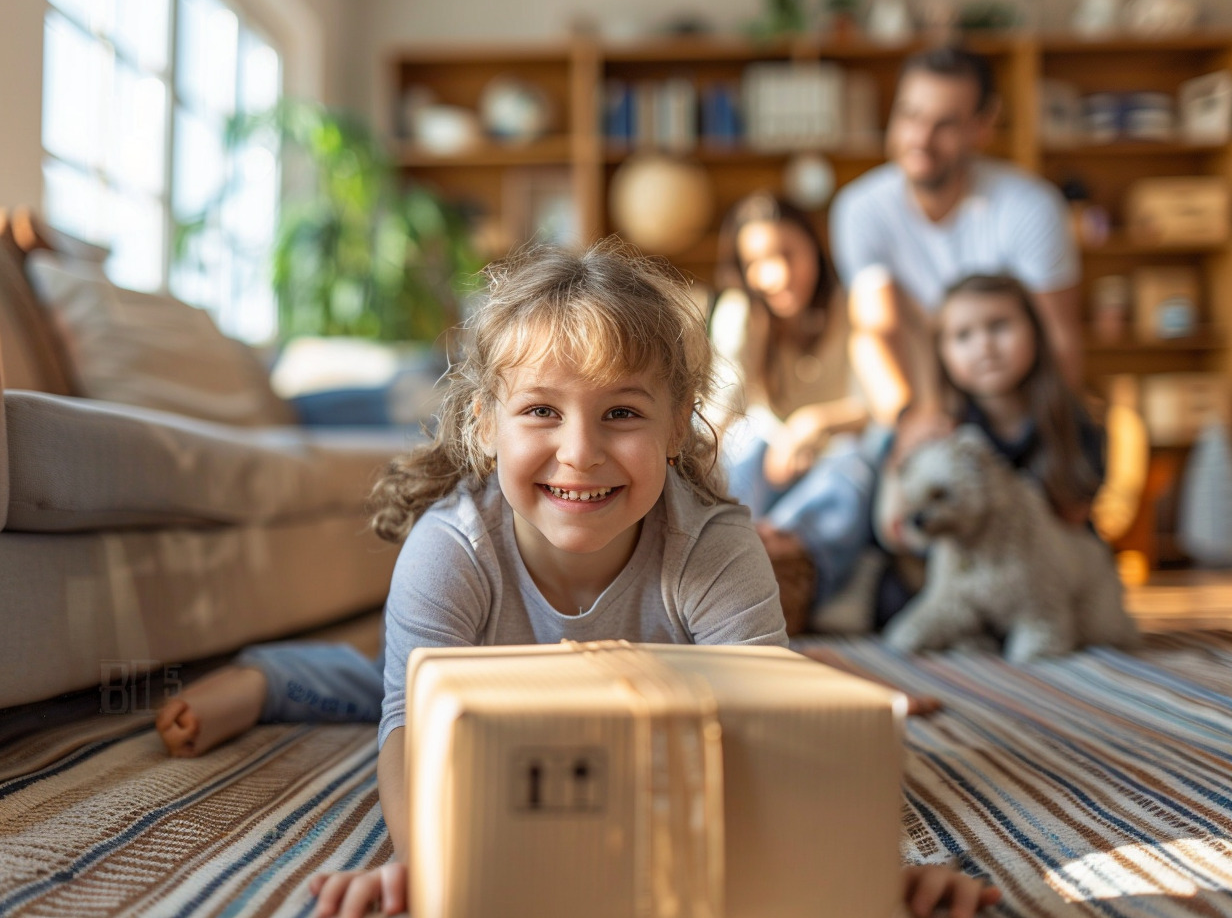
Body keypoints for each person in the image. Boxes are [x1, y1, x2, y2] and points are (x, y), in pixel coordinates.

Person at [157, 240, 997, 918]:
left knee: (790, 684)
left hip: (655, 682)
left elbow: (778, 733)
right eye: (540, 412)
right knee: (367, 679)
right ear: (484, 426)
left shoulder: (712, 544)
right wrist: (426, 866)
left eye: (622, 413)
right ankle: (268, 676)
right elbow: (411, 725)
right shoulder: (452, 546)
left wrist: (877, 872)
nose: (581, 450)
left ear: (676, 427)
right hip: (496, 664)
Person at [829, 44, 1083, 436]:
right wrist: (909, 422)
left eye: (944, 123)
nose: (921, 139)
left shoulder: (1032, 207)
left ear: (983, 125)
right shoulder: (859, 209)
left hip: (1015, 410)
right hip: (912, 405)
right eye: (910, 115)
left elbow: (1059, 339)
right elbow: (877, 333)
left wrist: (1047, 441)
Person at [710, 193, 876, 622]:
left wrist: (813, 422)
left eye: (788, 254)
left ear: (815, 249)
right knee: (744, 443)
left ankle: (789, 567)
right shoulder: (740, 313)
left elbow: (874, 407)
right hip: (764, 474)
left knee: (853, 464)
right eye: (758, 262)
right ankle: (747, 555)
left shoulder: (851, 306)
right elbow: (721, 408)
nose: (777, 274)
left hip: (829, 469)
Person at [877, 274, 1104, 583]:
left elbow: (1075, 512)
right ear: (941, 353)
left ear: (1036, 332)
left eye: (999, 326)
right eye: (963, 335)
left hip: (1052, 572)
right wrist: (902, 461)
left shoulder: (1073, 420)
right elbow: (899, 532)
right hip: (963, 571)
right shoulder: (937, 429)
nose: (984, 345)